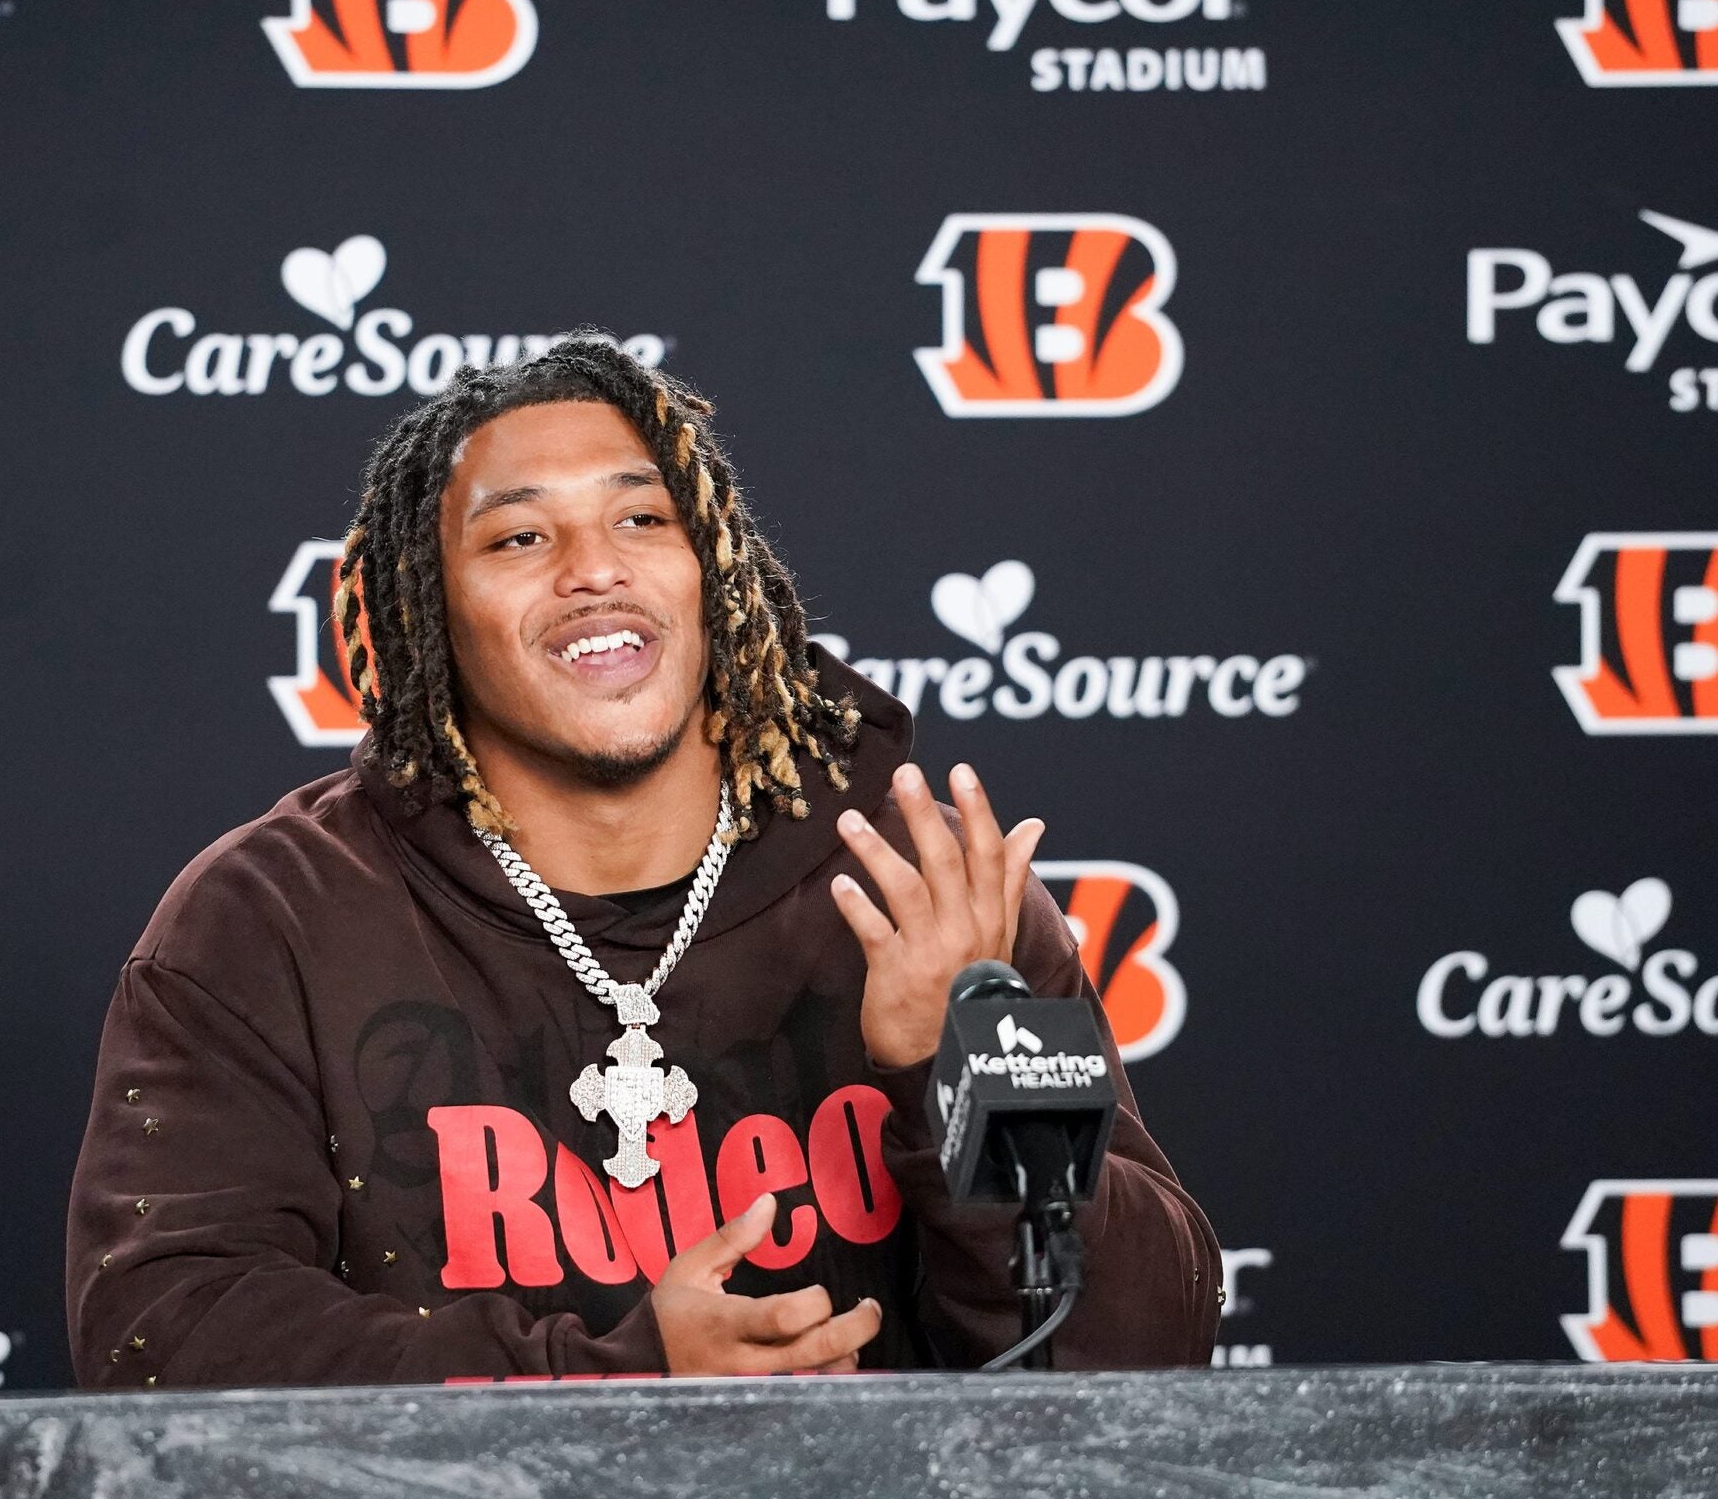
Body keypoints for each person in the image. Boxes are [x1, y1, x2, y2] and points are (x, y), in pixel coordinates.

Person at [67, 335, 1219, 1384]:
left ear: (715, 568)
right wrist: (606, 1381)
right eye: (519, 537)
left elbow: (1144, 1347)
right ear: (427, 613)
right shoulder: (267, 918)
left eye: (643, 520)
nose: (593, 569)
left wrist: (953, 1070)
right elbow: (158, 1341)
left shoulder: (923, 890)